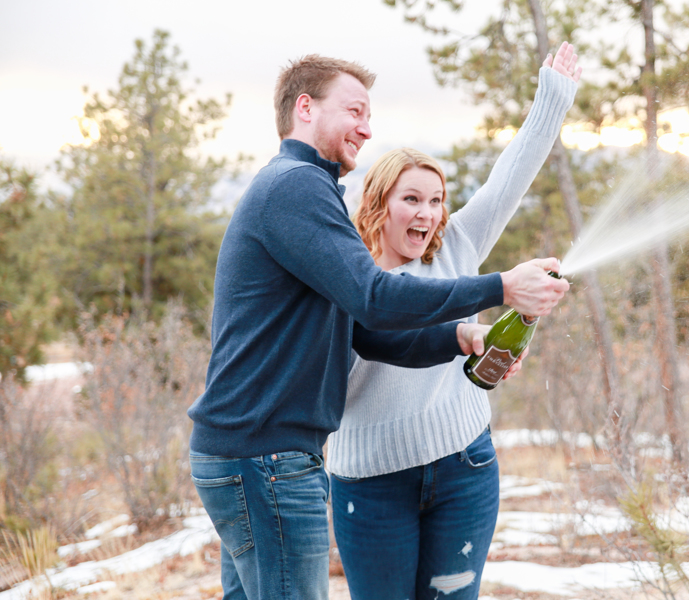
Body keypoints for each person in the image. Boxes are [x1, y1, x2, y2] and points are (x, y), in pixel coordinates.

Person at [187, 54, 570, 600]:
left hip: (257, 453)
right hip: (269, 458)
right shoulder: (299, 186)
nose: (367, 127)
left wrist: (463, 336)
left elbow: (364, 333)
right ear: (305, 108)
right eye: (354, 110)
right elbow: (375, 301)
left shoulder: (302, 192)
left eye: (435, 200)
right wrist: (501, 287)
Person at [328, 43, 581, 600]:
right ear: (379, 204)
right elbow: (382, 336)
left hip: (464, 466)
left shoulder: (457, 246)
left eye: (436, 200)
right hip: (369, 484)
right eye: (411, 199)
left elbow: (510, 176)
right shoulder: (345, 273)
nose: (426, 213)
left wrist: (553, 100)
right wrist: (465, 334)